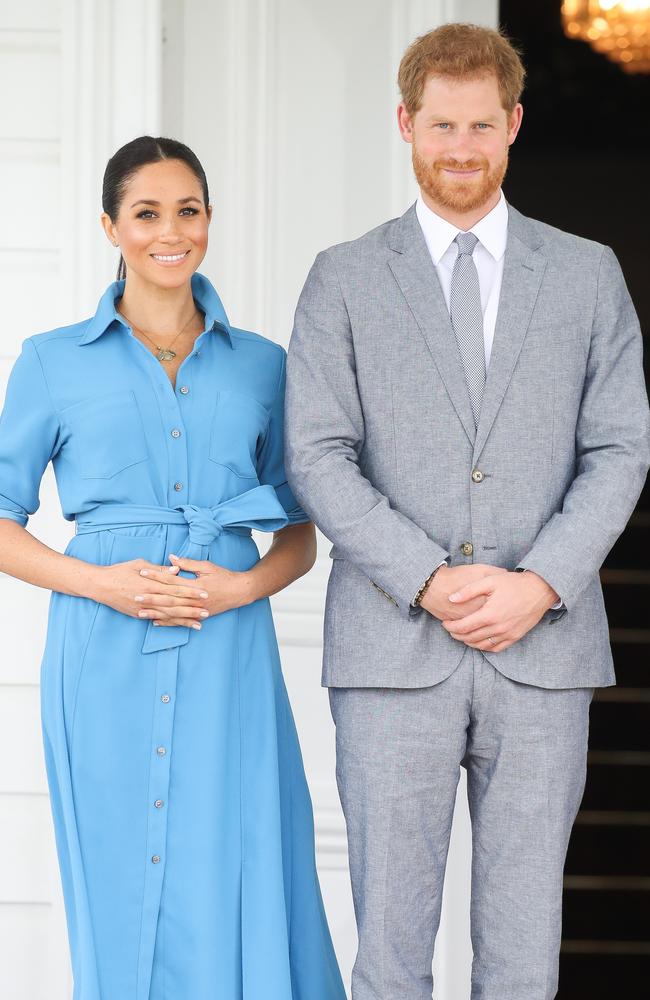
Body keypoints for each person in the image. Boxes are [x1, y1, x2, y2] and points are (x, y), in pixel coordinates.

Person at [285, 22, 650, 1000]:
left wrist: (537, 583)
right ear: (403, 123)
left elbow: (619, 447)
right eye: (439, 124)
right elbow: (316, 453)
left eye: (479, 125)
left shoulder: (586, 275)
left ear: (513, 125)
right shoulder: (343, 277)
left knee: (524, 958)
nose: (458, 147)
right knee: (390, 959)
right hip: (390, 653)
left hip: (543, 655)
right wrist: (428, 577)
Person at [0, 136, 346, 1000]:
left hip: (228, 654)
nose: (170, 230)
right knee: (118, 869)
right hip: (101, 656)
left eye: (187, 210)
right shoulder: (51, 360)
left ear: (209, 221)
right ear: (111, 226)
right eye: (147, 213)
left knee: (232, 861)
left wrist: (237, 588)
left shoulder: (266, 365)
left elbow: (302, 534)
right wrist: (103, 583)